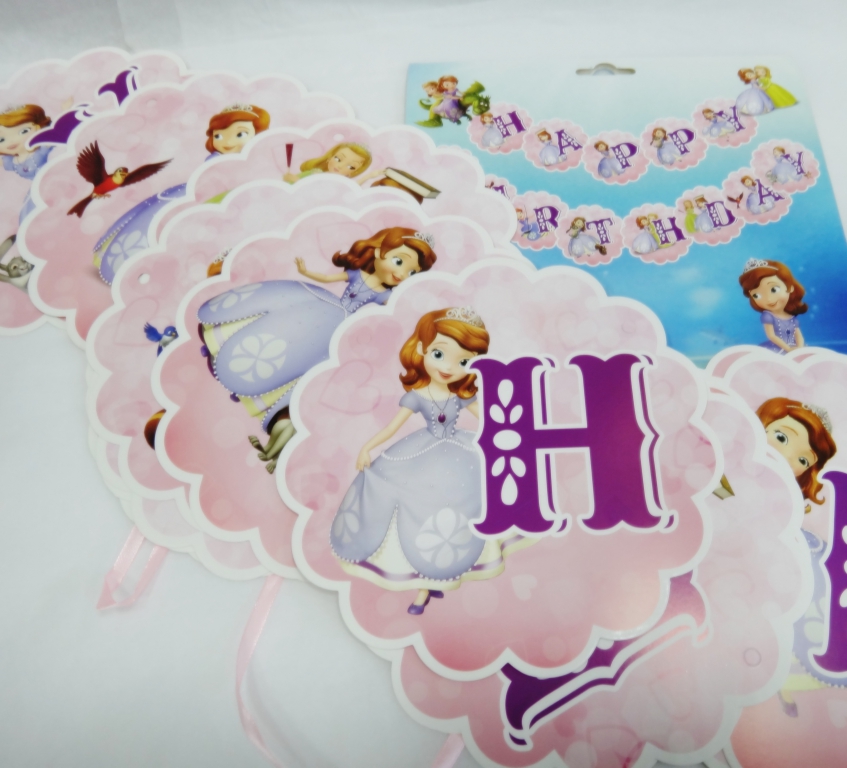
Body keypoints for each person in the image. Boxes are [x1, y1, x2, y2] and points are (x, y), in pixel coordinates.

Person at [198, 228, 437, 473]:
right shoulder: (356, 274)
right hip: (323, 308)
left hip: (341, 328)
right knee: (287, 331)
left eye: (412, 272)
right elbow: (326, 278)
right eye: (399, 261)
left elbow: (394, 309)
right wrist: (305, 272)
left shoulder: (385, 294)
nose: (402, 274)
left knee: (308, 364)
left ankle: (268, 399)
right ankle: (230, 352)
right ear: (378, 252)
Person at [331, 307, 513, 614]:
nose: (449, 367)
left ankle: (436, 579)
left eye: (464, 361)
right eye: (439, 354)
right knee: (414, 509)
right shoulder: (416, 395)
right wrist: (367, 447)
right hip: (421, 455)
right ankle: (425, 588)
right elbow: (392, 428)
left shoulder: (461, 395)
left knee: (461, 511)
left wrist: (509, 434)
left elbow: (488, 419)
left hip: (460, 456)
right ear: (421, 349)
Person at [94, 104, 270, 284]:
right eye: (218, 136)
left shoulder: (259, 165)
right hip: (205, 198)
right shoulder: (216, 162)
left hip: (233, 207)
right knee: (163, 222)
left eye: (240, 134)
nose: (228, 142)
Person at [756, 398, 837, 716]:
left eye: (803, 459)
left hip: (777, 555)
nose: (789, 459)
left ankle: (789, 679)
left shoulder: (787, 498)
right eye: (780, 437)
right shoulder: (724, 475)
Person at [0, 104, 55, 223]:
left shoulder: (41, 150)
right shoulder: (11, 161)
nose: (12, 141)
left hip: (54, 182)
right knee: (30, 215)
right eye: (1, 140)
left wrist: (66, 110)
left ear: (38, 127)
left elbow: (58, 132)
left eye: (24, 131)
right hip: (37, 190)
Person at [738, 258, 806, 353]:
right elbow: (771, 336)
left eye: (774, 290)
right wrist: (788, 349)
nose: (769, 299)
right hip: (776, 349)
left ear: (790, 287)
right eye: (756, 295)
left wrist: (800, 348)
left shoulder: (791, 317)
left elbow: (798, 335)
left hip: (794, 349)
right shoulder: (768, 316)